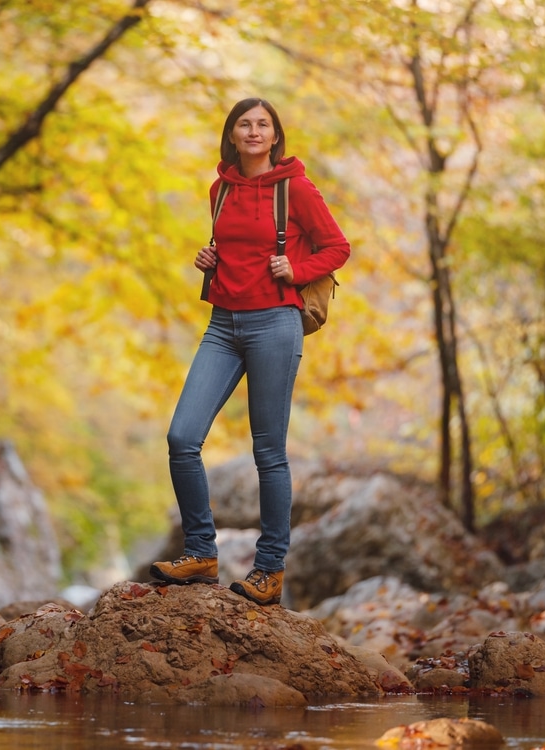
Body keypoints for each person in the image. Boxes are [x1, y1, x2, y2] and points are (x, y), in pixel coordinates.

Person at [149, 97, 350, 606]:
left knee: (268, 452)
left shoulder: (295, 188)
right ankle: (200, 552)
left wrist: (297, 271)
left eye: (264, 124)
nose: (255, 131)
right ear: (233, 135)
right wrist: (207, 257)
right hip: (222, 324)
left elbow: (337, 246)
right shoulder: (220, 189)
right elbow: (233, 246)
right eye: (246, 124)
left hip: (274, 325)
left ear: (275, 136)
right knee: (182, 437)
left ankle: (269, 570)